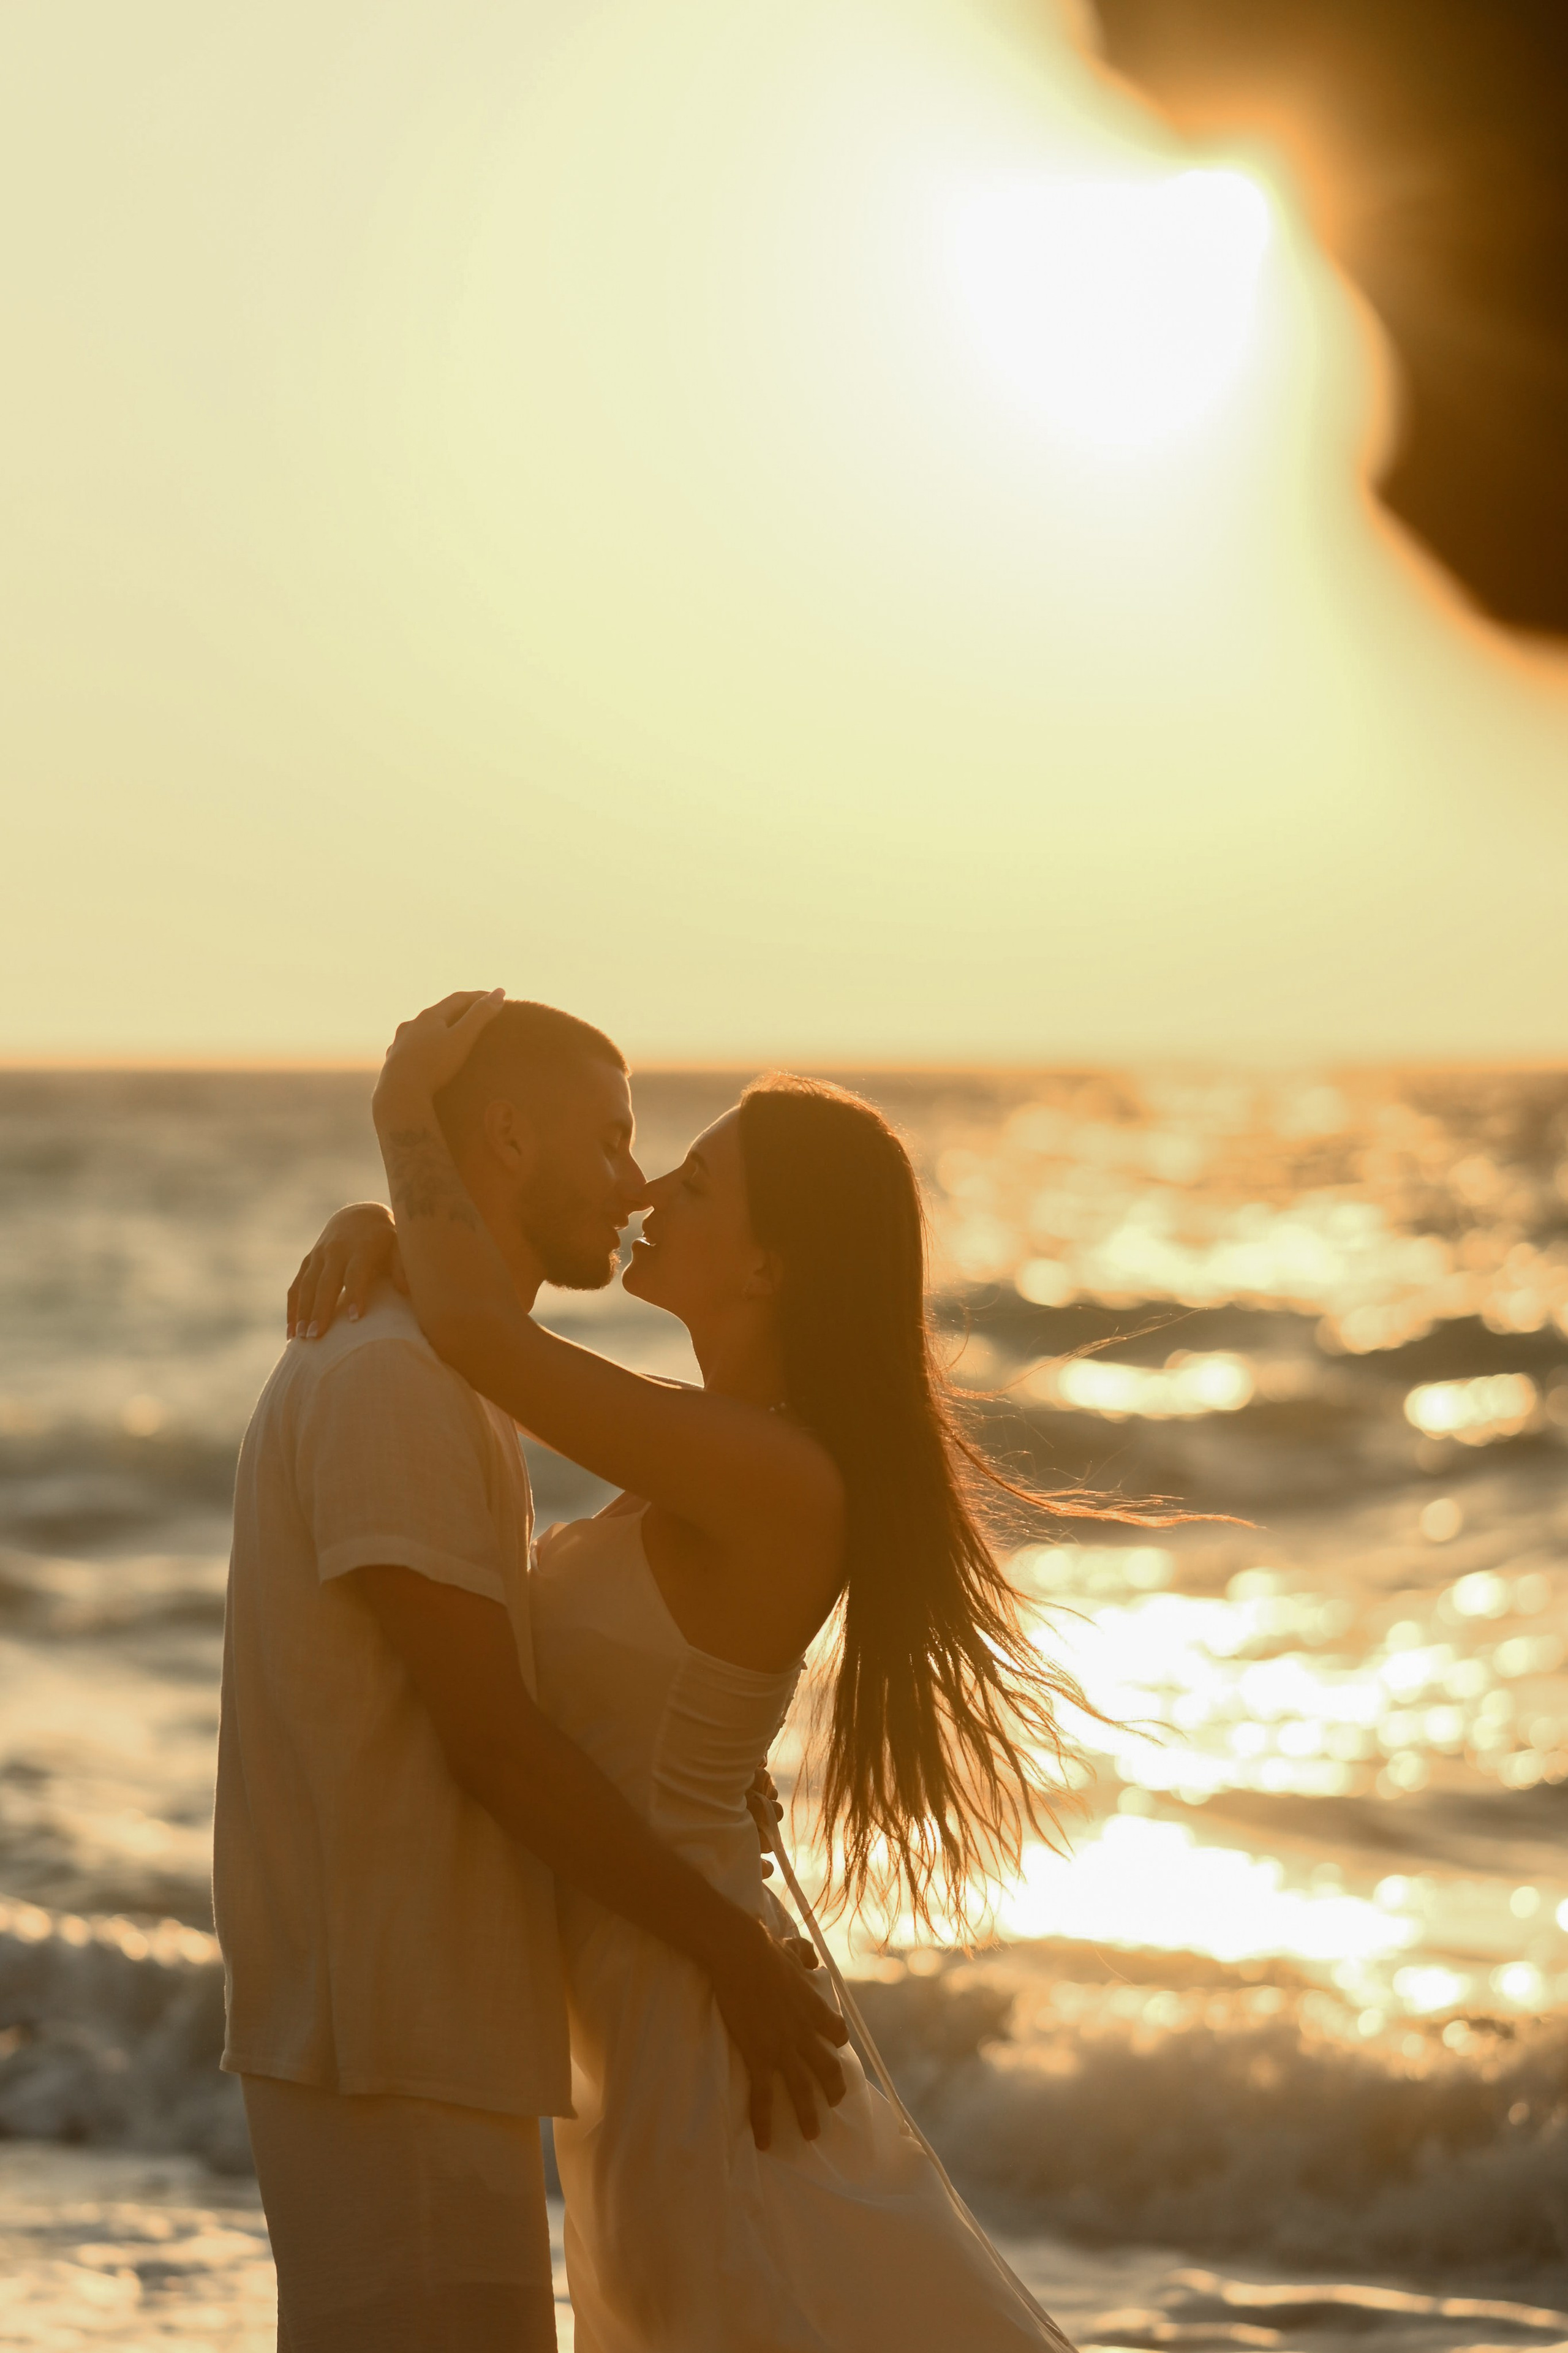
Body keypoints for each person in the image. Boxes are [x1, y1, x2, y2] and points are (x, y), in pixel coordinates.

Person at [292, 988, 1111, 2351]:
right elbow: (473, 1320)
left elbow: (481, 1335)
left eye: (698, 1180)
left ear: (769, 1267)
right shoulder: (710, 1445)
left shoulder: (774, 1475)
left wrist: (400, 1118)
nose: (650, 1189)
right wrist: (377, 1229)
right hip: (655, 2012)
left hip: (696, 2021)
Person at [214, 1000, 848, 2353]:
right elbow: (493, 1741)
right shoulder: (397, 1377)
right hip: (390, 2023)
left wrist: (392, 1202)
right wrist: (725, 1945)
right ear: (507, 1138)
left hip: (446, 2017)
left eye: (665, 1164)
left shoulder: (448, 1367)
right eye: (614, 1140)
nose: (637, 1184)